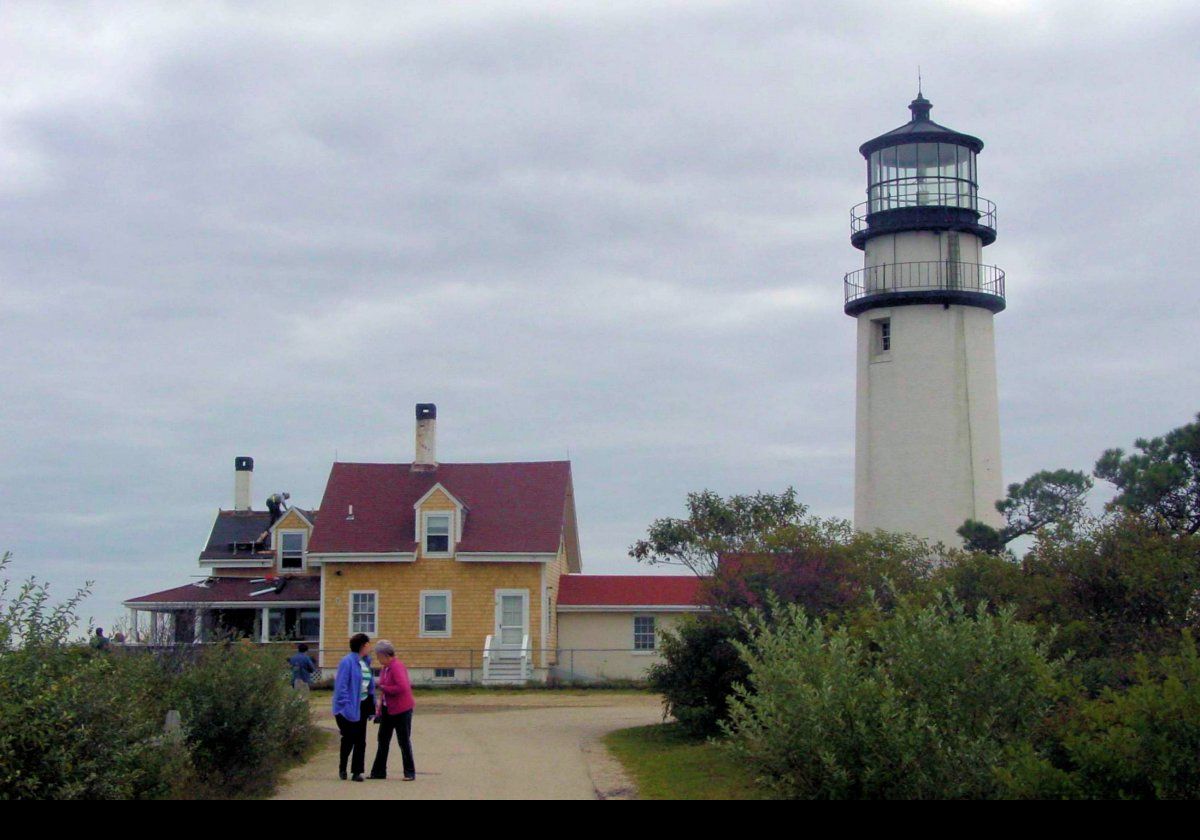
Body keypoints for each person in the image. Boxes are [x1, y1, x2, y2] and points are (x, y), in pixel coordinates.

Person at [368, 640, 416, 781]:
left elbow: (403, 687)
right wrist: (379, 710)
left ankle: (409, 772)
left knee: (403, 741)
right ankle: (378, 771)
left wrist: (384, 688)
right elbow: (384, 690)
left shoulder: (396, 667)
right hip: (387, 709)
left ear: (384, 654)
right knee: (382, 739)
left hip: (402, 709)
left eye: (379, 656)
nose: (378, 659)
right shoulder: (385, 668)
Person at [332, 633, 375, 782]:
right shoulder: (347, 661)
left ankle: (357, 771)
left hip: (362, 704)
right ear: (363, 645)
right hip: (349, 706)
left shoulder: (366, 662)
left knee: (360, 740)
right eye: (368, 644)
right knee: (349, 738)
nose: (370, 647)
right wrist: (345, 705)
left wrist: (372, 704)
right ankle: (342, 767)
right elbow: (341, 685)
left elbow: (370, 686)